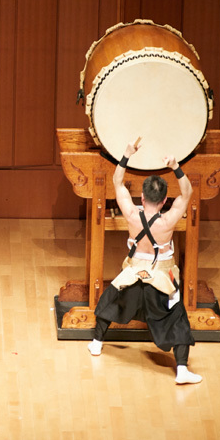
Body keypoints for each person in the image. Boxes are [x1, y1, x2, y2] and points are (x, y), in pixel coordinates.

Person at [87, 140, 202, 384]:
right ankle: (181, 370)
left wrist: (127, 154)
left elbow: (117, 182)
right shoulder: (168, 220)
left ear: (141, 196)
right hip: (160, 282)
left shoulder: (131, 213)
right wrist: (175, 166)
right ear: (163, 201)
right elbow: (187, 193)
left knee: (110, 300)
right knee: (178, 317)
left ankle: (96, 343)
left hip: (133, 277)